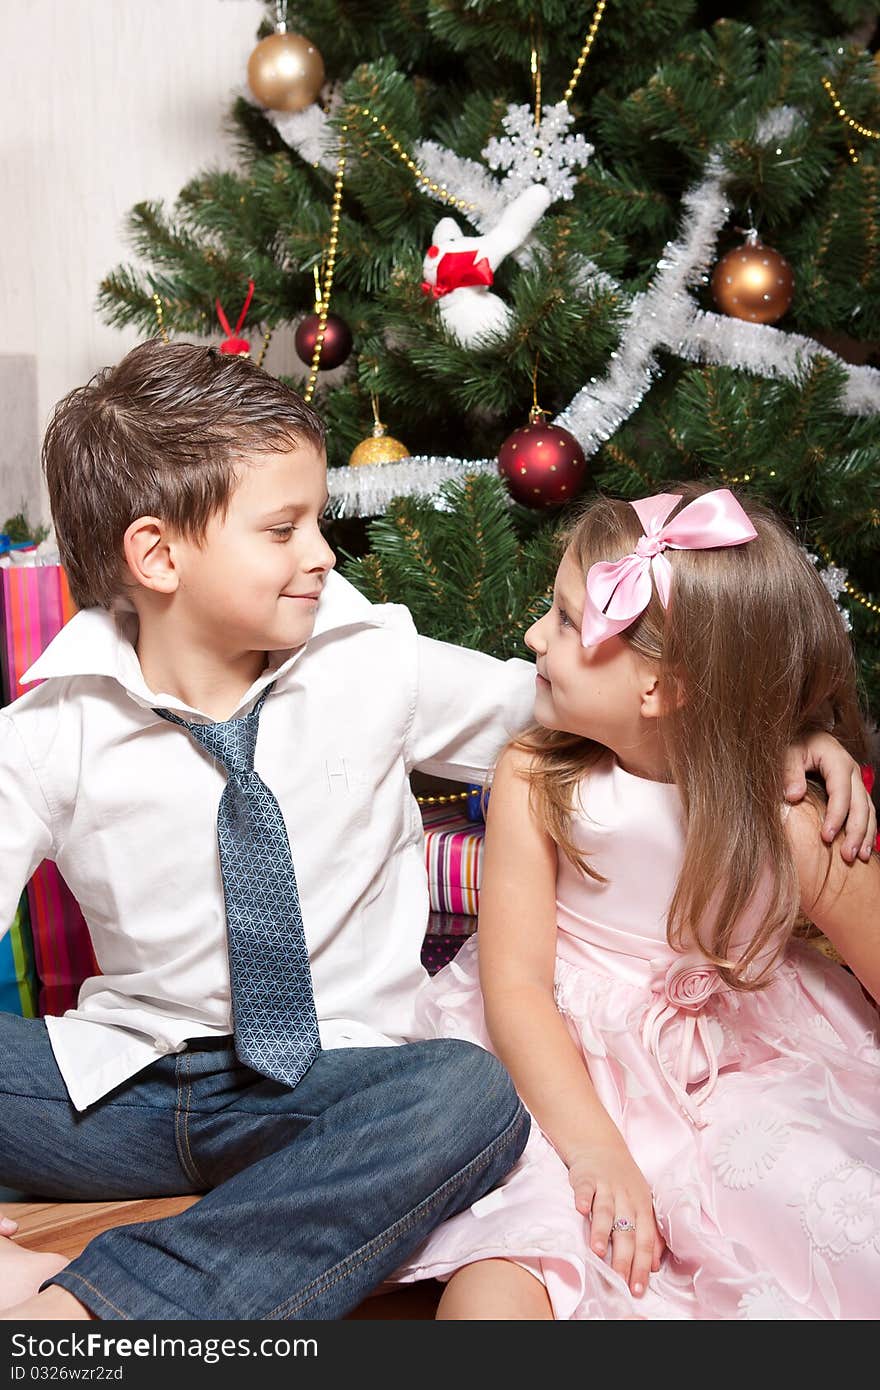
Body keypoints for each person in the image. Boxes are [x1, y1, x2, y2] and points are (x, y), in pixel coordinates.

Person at [0, 348, 869, 1322]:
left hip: (345, 1085)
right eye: (284, 528)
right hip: (123, 1081)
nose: (324, 552)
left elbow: (592, 705)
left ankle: (90, 1305)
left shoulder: (373, 661)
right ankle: (225, 1250)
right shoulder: (48, 732)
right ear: (159, 556)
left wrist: (784, 737)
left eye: (316, 519)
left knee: (470, 1097)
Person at [391, 483, 880, 1320]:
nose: (534, 635)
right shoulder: (537, 778)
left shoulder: (791, 816)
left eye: (568, 621)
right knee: (506, 1274)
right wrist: (596, 1151)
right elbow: (515, 989)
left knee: (822, 1212)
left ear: (661, 687)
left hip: (745, 1067)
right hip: (559, 1072)